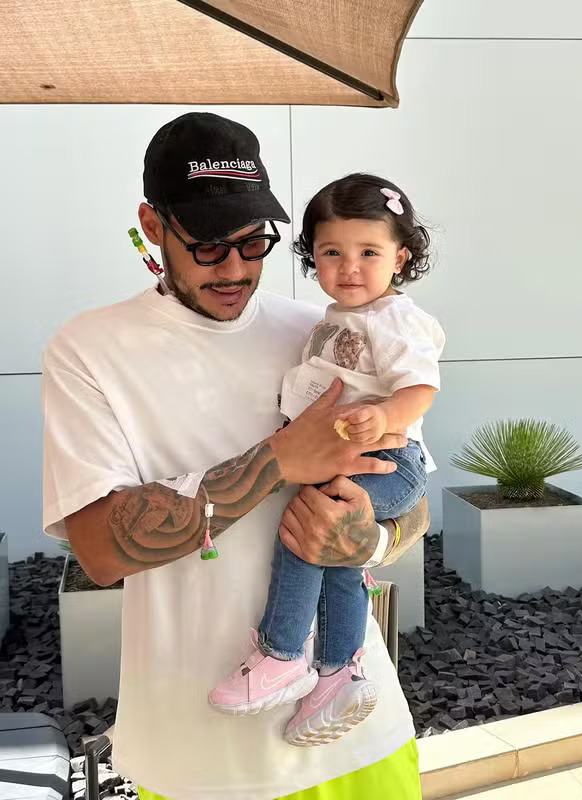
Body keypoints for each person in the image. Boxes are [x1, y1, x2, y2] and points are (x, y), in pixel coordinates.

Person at [42, 113, 429, 799]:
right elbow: (99, 550)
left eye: (254, 243)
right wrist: (278, 460)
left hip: (361, 740)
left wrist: (370, 540)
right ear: (152, 225)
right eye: (209, 245)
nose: (235, 267)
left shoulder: (323, 331)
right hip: (201, 760)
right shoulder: (89, 350)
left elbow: (410, 485)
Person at [209, 174, 445, 749]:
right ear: (312, 256)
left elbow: (422, 388)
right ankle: (339, 671)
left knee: (306, 535)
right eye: (331, 252)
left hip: (387, 457)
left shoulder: (396, 319)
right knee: (337, 555)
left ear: (401, 257)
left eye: (369, 253)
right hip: (356, 455)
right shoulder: (332, 319)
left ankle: (282, 652)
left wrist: (383, 415)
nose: (349, 267)